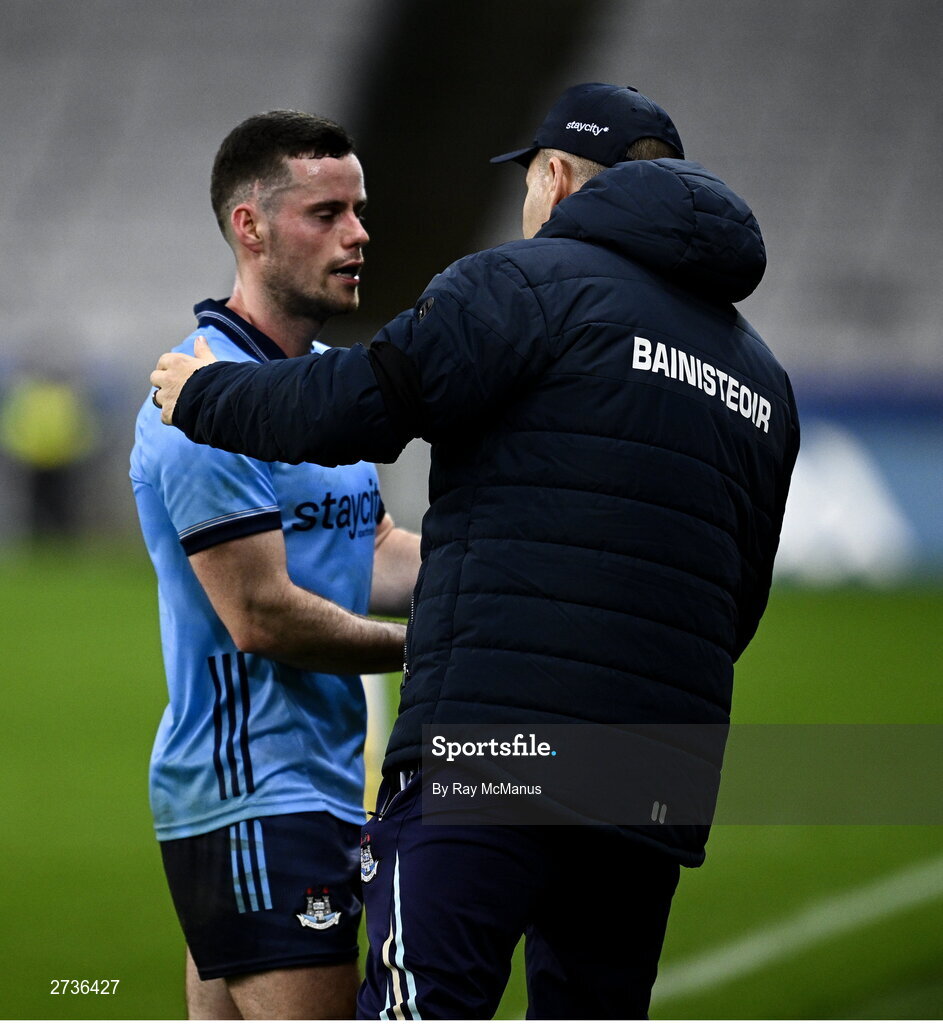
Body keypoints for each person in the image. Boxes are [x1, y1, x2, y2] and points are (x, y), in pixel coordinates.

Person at [150, 83, 800, 1019]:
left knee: (426, 1004)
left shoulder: (524, 284)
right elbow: (734, 600)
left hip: (496, 746)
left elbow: (361, 406)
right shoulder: (760, 377)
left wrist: (203, 396)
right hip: (659, 770)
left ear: (554, 178)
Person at [130, 110, 420, 1020]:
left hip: (306, 788)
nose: (359, 233)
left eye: (359, 210)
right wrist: (441, 647)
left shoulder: (325, 385)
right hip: (254, 792)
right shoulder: (198, 399)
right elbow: (263, 616)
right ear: (249, 227)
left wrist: (501, 568)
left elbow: (366, 551)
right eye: (325, 213)